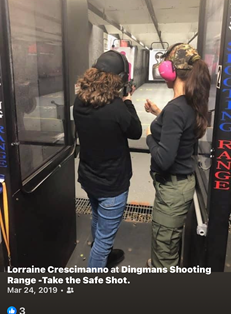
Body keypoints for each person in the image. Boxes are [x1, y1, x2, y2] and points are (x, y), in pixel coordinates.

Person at [73, 50, 142, 270]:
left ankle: (103, 256)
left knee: (97, 218)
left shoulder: (80, 101)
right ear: (117, 78)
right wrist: (128, 102)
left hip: (89, 178)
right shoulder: (117, 107)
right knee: (103, 242)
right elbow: (136, 131)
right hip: (112, 185)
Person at [145, 43, 211, 269]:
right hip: (181, 185)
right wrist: (158, 113)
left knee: (165, 245)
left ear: (172, 71)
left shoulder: (176, 108)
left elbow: (164, 159)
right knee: (168, 239)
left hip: (172, 189)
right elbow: (180, 132)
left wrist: (149, 137)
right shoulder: (190, 103)